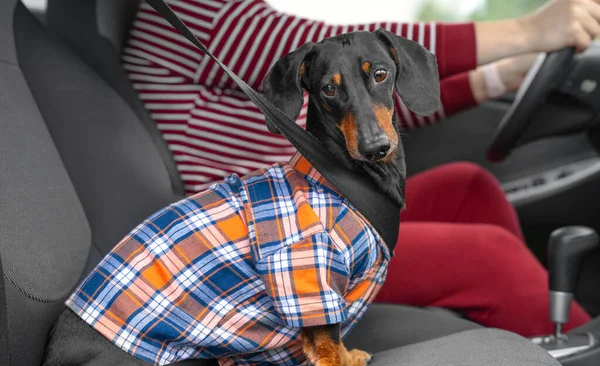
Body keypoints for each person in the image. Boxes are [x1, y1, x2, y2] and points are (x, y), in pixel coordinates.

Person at [121, 0, 600, 337]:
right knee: (486, 253)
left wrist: (503, 76)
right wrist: (526, 32)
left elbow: (367, 94)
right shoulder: (192, 11)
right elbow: (337, 51)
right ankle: (584, 358)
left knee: (466, 187)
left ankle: (527, 326)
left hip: (314, 207)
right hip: (262, 249)